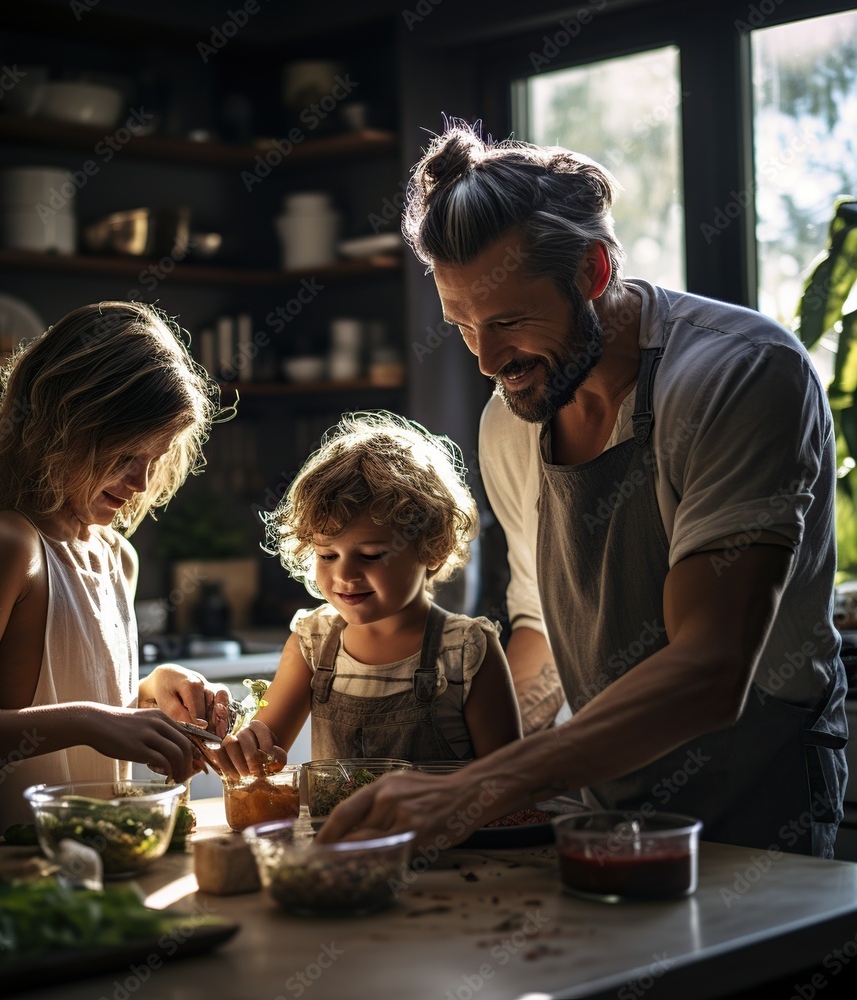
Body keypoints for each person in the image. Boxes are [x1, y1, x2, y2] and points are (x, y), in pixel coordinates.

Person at [317, 121, 848, 857]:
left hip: (760, 804)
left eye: (508, 321)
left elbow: (711, 668)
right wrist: (458, 765)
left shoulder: (741, 374)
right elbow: (539, 630)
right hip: (603, 805)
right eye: (463, 326)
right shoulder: (512, 418)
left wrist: (479, 788)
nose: (488, 360)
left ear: (594, 273)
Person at [0, 301, 232, 838]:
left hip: (101, 862)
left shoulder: (118, 557)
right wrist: (88, 721)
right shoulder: (10, 544)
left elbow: (79, 693)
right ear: (62, 430)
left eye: (156, 458)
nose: (141, 483)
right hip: (12, 867)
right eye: (126, 455)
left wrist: (152, 694)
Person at [216, 410, 521, 777]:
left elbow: (506, 783)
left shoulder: (466, 650)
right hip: (335, 835)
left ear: (432, 550)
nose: (344, 574)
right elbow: (262, 756)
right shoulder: (312, 643)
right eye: (327, 555)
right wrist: (241, 748)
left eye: (371, 555)